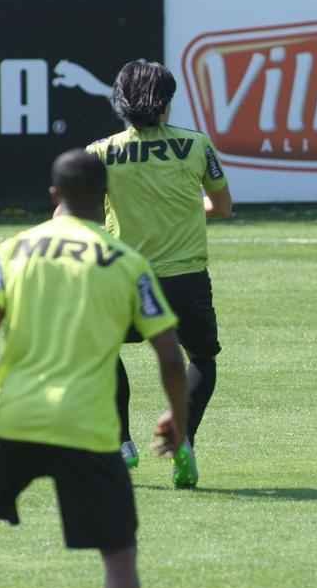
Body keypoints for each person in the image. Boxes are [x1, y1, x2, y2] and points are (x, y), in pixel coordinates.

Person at [0, 150, 188, 588]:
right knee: (117, 554)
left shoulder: (13, 250)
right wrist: (178, 421)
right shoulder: (127, 263)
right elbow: (170, 354)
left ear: (54, 196)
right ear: (105, 196)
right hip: (89, 429)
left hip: (14, 418)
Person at [86, 59, 233, 488]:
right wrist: (192, 209)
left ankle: (121, 443)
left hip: (124, 277)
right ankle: (183, 439)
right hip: (186, 278)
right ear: (166, 103)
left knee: (100, 353)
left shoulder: (101, 152)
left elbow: (75, 214)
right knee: (202, 358)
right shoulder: (196, 145)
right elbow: (222, 207)